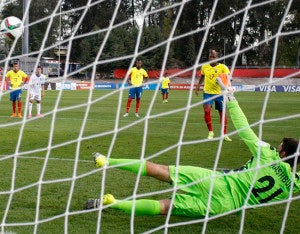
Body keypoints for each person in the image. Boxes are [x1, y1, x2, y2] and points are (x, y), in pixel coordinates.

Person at [84, 91, 300, 218]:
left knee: (162, 171)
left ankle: (107, 160)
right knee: (165, 207)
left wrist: (232, 100)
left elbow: (245, 129)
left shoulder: (268, 155)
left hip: (218, 182)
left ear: (282, 152)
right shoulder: (295, 183)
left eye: (279, 145)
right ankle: (113, 202)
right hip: (224, 206)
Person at [195, 49, 232, 141]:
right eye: (210, 57)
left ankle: (224, 134)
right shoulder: (204, 67)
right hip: (207, 92)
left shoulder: (223, 67)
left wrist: (228, 86)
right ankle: (211, 132)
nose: (211, 58)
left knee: (222, 113)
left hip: (220, 93)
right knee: (207, 111)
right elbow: (202, 76)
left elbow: (228, 78)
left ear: (217, 58)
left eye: (213, 57)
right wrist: (198, 86)